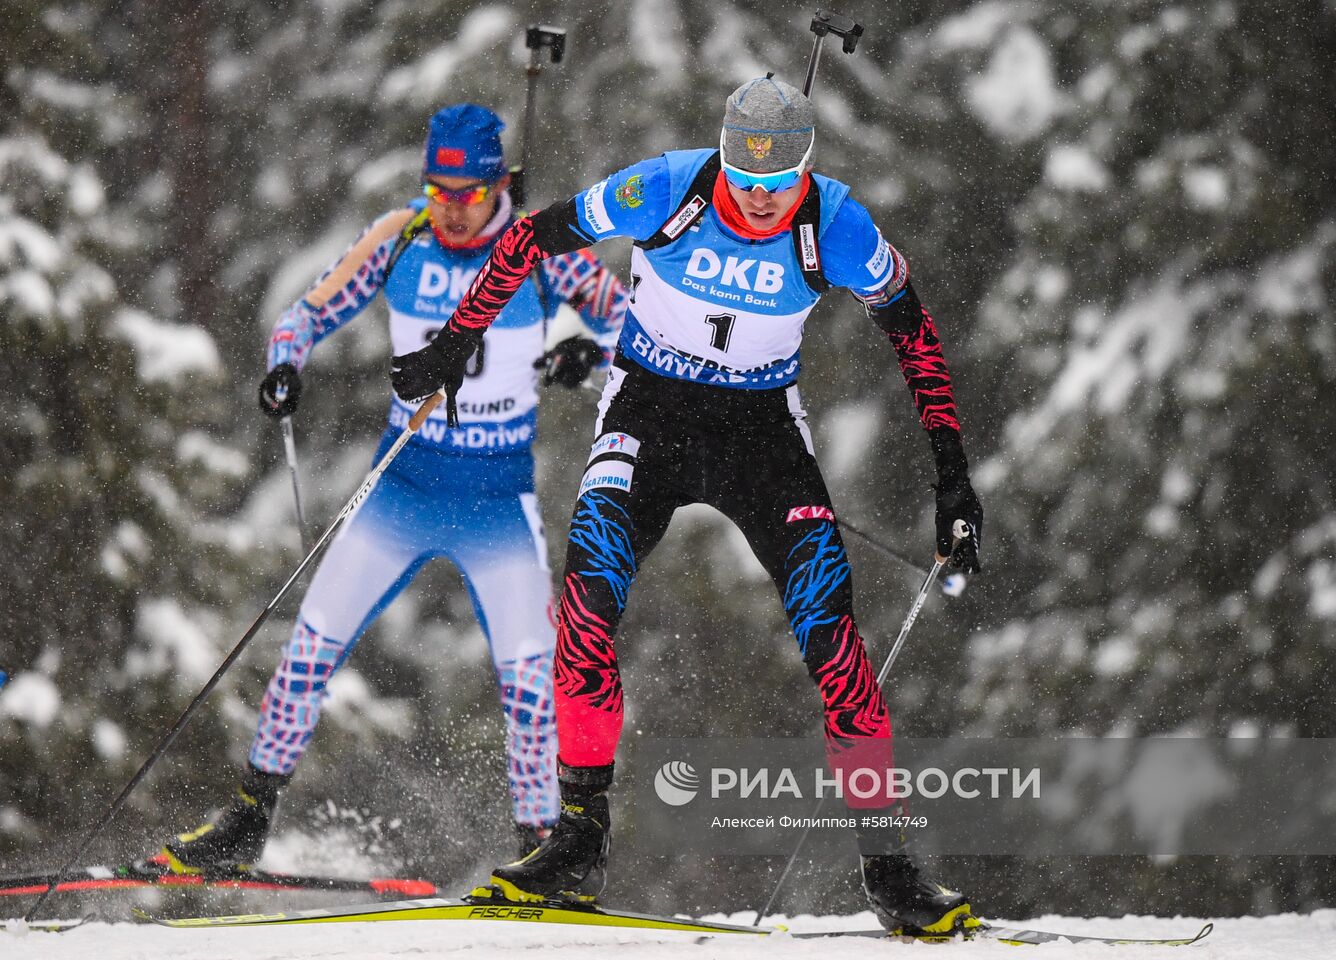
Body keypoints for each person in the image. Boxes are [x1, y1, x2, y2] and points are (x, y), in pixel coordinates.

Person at [389, 77, 985, 935]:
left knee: (833, 637)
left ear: (805, 170)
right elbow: (529, 237)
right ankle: (576, 839)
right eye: (742, 178)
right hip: (649, 413)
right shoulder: (666, 186)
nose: (756, 198)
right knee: (587, 597)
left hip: (760, 433)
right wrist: (457, 339)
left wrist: (953, 482)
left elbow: (915, 334)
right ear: (722, 155)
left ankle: (890, 869)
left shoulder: (839, 227)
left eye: (776, 185)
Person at [160, 103, 629, 872]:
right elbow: (306, 313)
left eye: (467, 195)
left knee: (531, 679)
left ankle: (544, 849)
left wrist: (583, 347)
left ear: (499, 185)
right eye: (437, 190)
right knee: (310, 645)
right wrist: (285, 364)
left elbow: (632, 329)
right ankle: (247, 820)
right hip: (400, 492)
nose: (449, 209)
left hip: (496, 504)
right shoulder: (400, 235)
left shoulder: (543, 249)